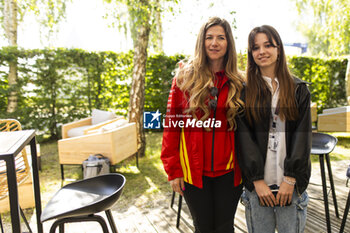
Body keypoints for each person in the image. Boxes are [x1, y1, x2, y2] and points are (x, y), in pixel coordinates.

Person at [161, 17, 244, 233]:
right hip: (194, 172)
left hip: (230, 171)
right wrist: (173, 170)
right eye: (209, 37)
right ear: (202, 41)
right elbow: (172, 126)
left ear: (228, 44)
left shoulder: (239, 81)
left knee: (225, 228)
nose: (214, 43)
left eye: (220, 38)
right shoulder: (184, 78)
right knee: (203, 227)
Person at [236, 25, 312, 233]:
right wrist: (257, 181)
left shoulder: (299, 90)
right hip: (258, 187)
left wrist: (291, 178)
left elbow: (303, 138)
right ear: (251, 54)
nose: (262, 51)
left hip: (291, 185)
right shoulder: (244, 93)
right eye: (255, 47)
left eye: (268, 45)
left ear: (279, 49)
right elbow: (244, 139)